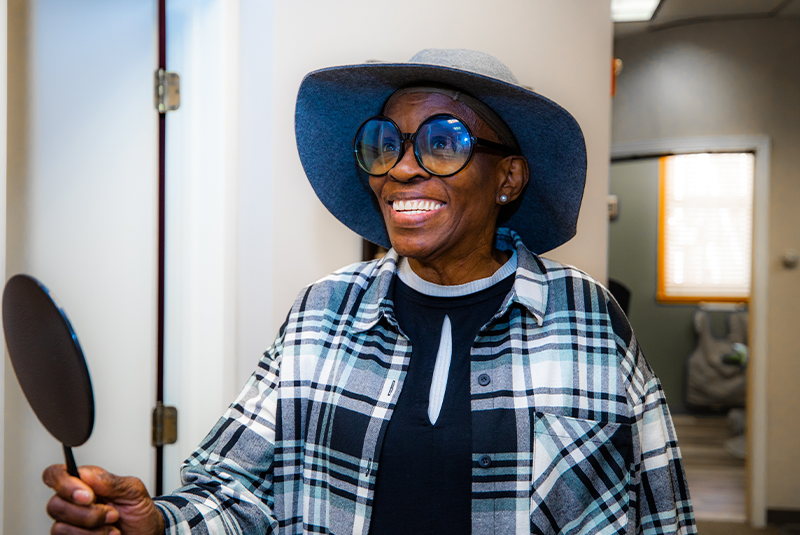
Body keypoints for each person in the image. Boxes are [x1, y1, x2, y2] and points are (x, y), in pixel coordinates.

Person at [43, 49, 696, 534]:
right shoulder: (324, 309)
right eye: (386, 143)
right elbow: (239, 486)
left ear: (508, 178)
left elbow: (659, 506)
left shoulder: (585, 314)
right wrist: (157, 519)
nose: (403, 166)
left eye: (444, 141)